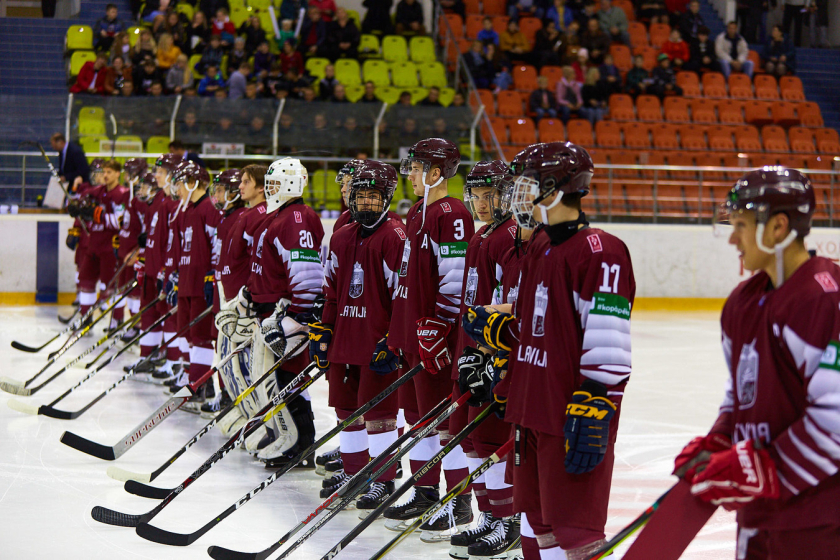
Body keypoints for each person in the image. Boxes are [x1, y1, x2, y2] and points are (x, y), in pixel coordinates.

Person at [463, 141, 635, 560]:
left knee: (576, 532)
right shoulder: (540, 246)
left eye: (526, 184)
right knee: (537, 525)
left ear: (555, 188)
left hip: (571, 413)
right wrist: (502, 340)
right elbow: (531, 322)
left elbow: (608, 339)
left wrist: (596, 400)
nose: (516, 195)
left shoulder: (602, 252)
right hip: (532, 407)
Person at [672, 167, 840, 560]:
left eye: (742, 225)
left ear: (778, 227)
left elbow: (836, 420)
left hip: (821, 520)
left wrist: (763, 469)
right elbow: (740, 395)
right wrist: (719, 439)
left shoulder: (824, 297)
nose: (733, 239)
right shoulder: (742, 302)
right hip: (759, 512)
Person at [384, 139, 476, 539]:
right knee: (418, 420)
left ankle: (458, 502)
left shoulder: (451, 212)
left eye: (417, 166)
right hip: (412, 333)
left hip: (434, 337)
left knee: (445, 424)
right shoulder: (417, 210)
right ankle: (424, 492)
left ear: (436, 172)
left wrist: (437, 326)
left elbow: (455, 276)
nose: (411, 174)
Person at [309, 160, 407, 514]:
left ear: (387, 198)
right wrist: (323, 331)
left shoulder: (395, 237)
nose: (365, 203)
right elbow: (332, 291)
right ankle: (356, 475)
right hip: (345, 340)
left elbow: (403, 296)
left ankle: (383, 480)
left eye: (373, 197)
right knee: (346, 410)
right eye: (360, 196)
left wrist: (394, 340)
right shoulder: (340, 237)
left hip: (376, 343)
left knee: (380, 414)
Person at [448, 160, 520, 559]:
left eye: (489, 194)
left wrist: (488, 355)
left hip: (490, 351)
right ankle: (488, 515)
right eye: (475, 195)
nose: (480, 202)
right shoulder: (481, 238)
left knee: (490, 438)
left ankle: (506, 520)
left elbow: (504, 303)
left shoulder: (507, 238)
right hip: (471, 348)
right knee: (474, 440)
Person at [236, 157, 322, 467]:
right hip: (270, 314)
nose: (270, 187)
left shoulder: (297, 217)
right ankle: (284, 434)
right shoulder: (280, 215)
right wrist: (250, 292)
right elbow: (266, 263)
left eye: (276, 182)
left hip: (285, 317)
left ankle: (301, 443)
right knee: (274, 380)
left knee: (290, 378)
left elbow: (307, 274)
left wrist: (298, 318)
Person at [161, 161, 221, 409]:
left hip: (200, 285)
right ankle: (192, 378)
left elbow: (216, 245)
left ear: (192, 183)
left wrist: (212, 276)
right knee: (186, 333)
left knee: (200, 336)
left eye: (180, 183)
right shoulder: (183, 210)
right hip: (186, 281)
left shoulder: (208, 208)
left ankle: (198, 383)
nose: (176, 188)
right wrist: (174, 274)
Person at [67, 159, 128, 327]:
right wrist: (77, 207)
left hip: (111, 247)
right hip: (93, 245)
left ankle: (117, 319)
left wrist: (97, 214)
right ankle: (85, 318)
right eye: (104, 172)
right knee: (85, 281)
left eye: (109, 172)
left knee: (112, 286)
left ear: (117, 174)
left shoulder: (123, 193)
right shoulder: (96, 191)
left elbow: (121, 221)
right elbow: (81, 201)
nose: (105, 175)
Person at [111, 158, 148, 342]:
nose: (127, 177)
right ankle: (125, 322)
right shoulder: (128, 196)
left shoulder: (143, 201)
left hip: (134, 255)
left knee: (135, 294)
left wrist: (137, 252)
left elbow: (146, 232)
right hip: (124, 251)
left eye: (131, 173)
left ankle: (136, 325)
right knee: (123, 289)